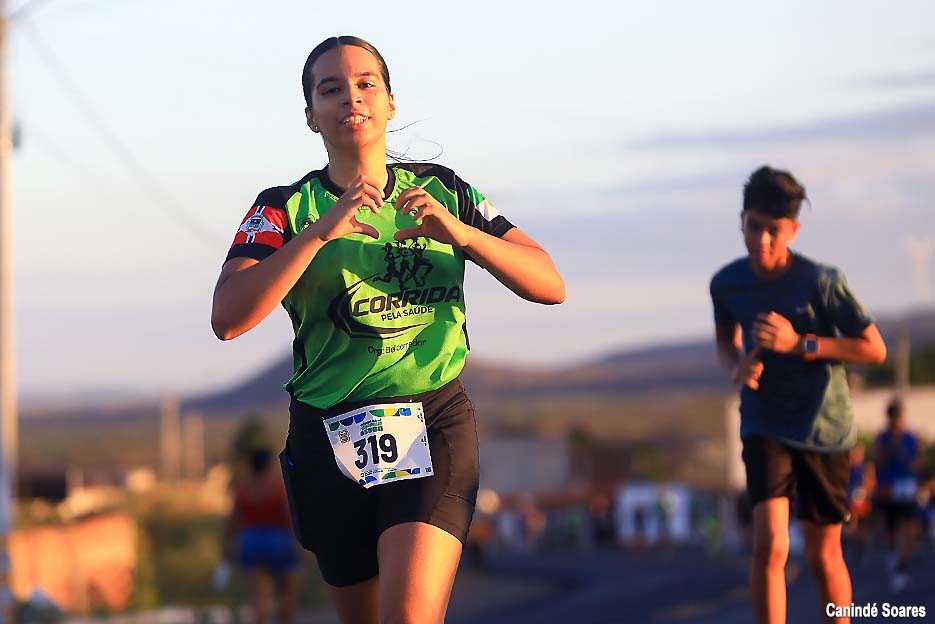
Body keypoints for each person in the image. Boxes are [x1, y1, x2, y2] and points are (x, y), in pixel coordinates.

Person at [211, 35, 564, 624]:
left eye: (365, 83)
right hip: (327, 436)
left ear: (390, 102)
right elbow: (227, 317)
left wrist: (464, 236)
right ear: (310, 115)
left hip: (432, 421)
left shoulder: (443, 190)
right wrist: (321, 232)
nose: (351, 97)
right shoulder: (284, 207)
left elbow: (549, 283)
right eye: (331, 88)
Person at [709, 166, 887, 624]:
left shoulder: (821, 281)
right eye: (754, 226)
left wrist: (800, 344)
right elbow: (725, 343)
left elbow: (874, 348)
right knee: (770, 545)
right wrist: (736, 368)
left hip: (824, 428)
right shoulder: (726, 283)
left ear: (793, 230)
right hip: (764, 423)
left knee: (823, 557)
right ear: (741, 220)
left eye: (774, 230)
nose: (762, 240)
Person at [224, 448, 299, 624]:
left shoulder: (243, 489)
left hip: (250, 541)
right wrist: (299, 544)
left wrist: (227, 546)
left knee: (259, 598)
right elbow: (289, 517)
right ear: (267, 465)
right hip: (278, 541)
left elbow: (233, 521)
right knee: (285, 597)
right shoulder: (277, 487)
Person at [873, 398, 922, 591]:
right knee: (892, 529)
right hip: (889, 488)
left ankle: (902, 565)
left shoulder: (911, 437)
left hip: (907, 486)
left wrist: (916, 468)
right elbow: (878, 461)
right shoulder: (882, 437)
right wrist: (892, 446)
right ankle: (894, 554)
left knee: (909, 527)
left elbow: (917, 460)